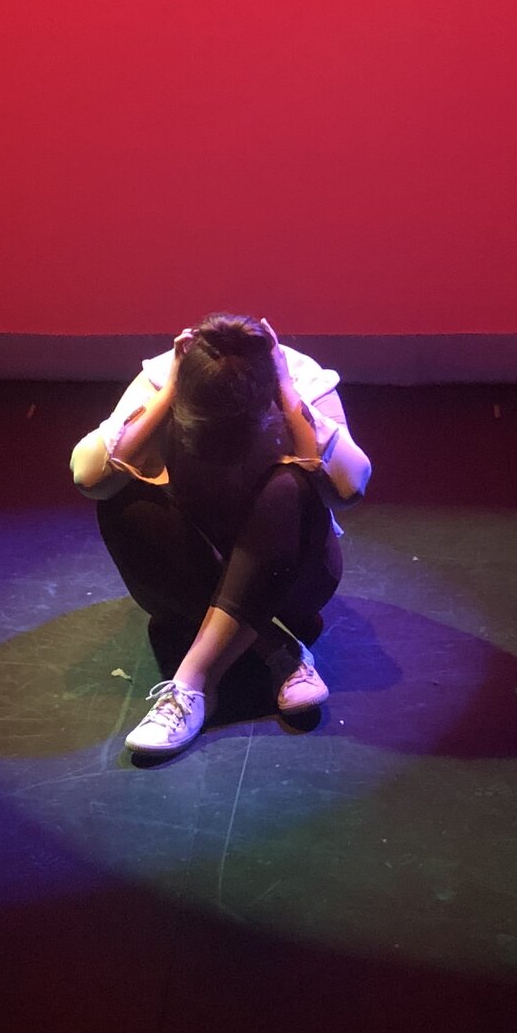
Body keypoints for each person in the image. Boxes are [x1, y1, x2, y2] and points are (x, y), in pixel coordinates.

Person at [70, 315, 373, 757]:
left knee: (289, 487)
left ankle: (193, 684)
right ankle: (277, 648)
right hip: (190, 576)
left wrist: (287, 395)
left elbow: (349, 490)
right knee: (123, 497)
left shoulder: (302, 381)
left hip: (291, 580)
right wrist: (169, 393)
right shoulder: (163, 377)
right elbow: (88, 476)